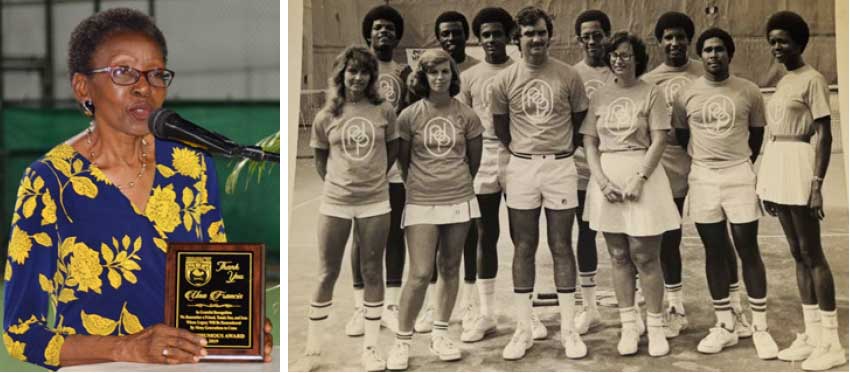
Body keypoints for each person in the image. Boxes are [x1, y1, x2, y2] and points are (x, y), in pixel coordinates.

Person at [2, 8, 273, 370]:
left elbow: (215, 288)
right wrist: (126, 348)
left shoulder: (191, 165)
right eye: (123, 71)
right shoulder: (49, 182)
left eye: (155, 73)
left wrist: (243, 327)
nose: (144, 86)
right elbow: (21, 333)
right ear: (83, 87)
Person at [644, 11, 751, 340]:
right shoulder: (650, 80)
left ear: (691, 42)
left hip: (706, 167)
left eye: (680, 37)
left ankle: (734, 306)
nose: (674, 43)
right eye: (668, 37)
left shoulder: (706, 69)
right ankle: (675, 307)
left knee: (720, 240)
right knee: (669, 239)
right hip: (668, 170)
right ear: (660, 42)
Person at [672, 27, 777, 359]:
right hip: (702, 176)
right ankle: (725, 325)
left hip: (739, 174)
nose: (713, 55)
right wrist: (708, 162)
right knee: (714, 250)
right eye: (707, 50)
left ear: (730, 54)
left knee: (747, 248)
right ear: (699, 55)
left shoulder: (748, 91)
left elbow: (757, 136)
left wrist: (737, 163)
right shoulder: (686, 93)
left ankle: (759, 327)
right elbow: (681, 133)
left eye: (719, 49)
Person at [491, 6, 589, 361]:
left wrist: (557, 151)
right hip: (522, 168)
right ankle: (523, 328)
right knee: (524, 246)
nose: (536, 39)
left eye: (541, 32)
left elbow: (579, 123)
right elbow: (502, 129)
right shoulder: (504, 80)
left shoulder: (568, 76)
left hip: (560, 167)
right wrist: (525, 153)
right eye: (529, 33)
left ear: (551, 35)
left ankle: (567, 330)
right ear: (518, 38)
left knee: (562, 244)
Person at [301, 46, 399, 372]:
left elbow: (392, 151)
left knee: (373, 271)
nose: (358, 77)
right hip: (336, 203)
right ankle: (312, 348)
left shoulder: (384, 111)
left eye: (364, 71)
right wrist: (341, 186)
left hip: (375, 203)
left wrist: (369, 183)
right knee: (327, 271)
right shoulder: (326, 115)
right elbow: (320, 160)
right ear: (341, 74)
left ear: (372, 76)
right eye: (352, 71)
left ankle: (371, 349)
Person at [581, 31, 679, 357]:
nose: (618, 60)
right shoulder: (600, 96)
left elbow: (659, 140)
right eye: (614, 55)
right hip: (608, 179)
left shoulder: (652, 93)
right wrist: (601, 180)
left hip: (643, 178)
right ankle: (628, 326)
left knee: (645, 256)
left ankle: (655, 327)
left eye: (625, 55)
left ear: (637, 58)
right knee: (619, 257)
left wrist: (640, 178)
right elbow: (590, 142)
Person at [385, 49, 483, 370]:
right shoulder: (409, 116)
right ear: (423, 77)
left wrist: (453, 184)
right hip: (421, 201)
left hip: (459, 198)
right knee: (421, 273)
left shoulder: (467, 116)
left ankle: (440, 334)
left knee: (451, 266)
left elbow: (473, 162)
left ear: (453, 75)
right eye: (432, 72)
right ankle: (402, 341)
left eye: (444, 72)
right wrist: (425, 184)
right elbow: (404, 162)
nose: (439, 78)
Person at [759, 11, 846, 371]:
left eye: (783, 41)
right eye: (773, 41)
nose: (776, 47)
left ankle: (832, 342)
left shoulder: (813, 79)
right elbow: (773, 132)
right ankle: (811, 335)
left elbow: (823, 134)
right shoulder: (782, 80)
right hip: (778, 163)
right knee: (796, 252)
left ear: (799, 42)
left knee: (813, 253)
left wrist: (816, 185)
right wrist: (765, 180)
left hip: (799, 164)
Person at [416, 9, 482, 334]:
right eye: (445, 33)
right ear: (438, 36)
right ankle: (432, 304)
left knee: (469, 242)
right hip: (429, 178)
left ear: (465, 35)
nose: (451, 37)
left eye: (457, 32)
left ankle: (470, 304)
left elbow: (474, 142)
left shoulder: (476, 70)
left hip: (465, 169)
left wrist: (464, 174)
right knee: (429, 247)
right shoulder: (425, 72)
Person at [347, 4, 409, 336]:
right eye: (378, 28)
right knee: (362, 237)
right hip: (362, 166)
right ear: (368, 34)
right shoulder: (355, 70)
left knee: (394, 233)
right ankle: (360, 307)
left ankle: (392, 304)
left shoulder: (404, 73)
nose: (383, 32)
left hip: (395, 166)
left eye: (389, 28)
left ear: (397, 36)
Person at [456, 6, 515, 343]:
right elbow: (464, 124)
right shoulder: (469, 77)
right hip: (483, 156)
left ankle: (528, 313)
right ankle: (486, 314)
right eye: (486, 35)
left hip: (517, 155)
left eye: (497, 33)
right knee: (483, 234)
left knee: (523, 236)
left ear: (509, 37)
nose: (492, 39)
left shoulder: (521, 70)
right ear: (479, 40)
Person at [570, 9, 615, 336]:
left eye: (597, 35)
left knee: (627, 236)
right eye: (585, 36)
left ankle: (635, 302)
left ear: (607, 37)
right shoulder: (572, 75)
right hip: (582, 169)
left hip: (618, 169)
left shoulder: (622, 69)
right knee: (585, 234)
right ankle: (590, 307)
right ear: (579, 40)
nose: (591, 41)